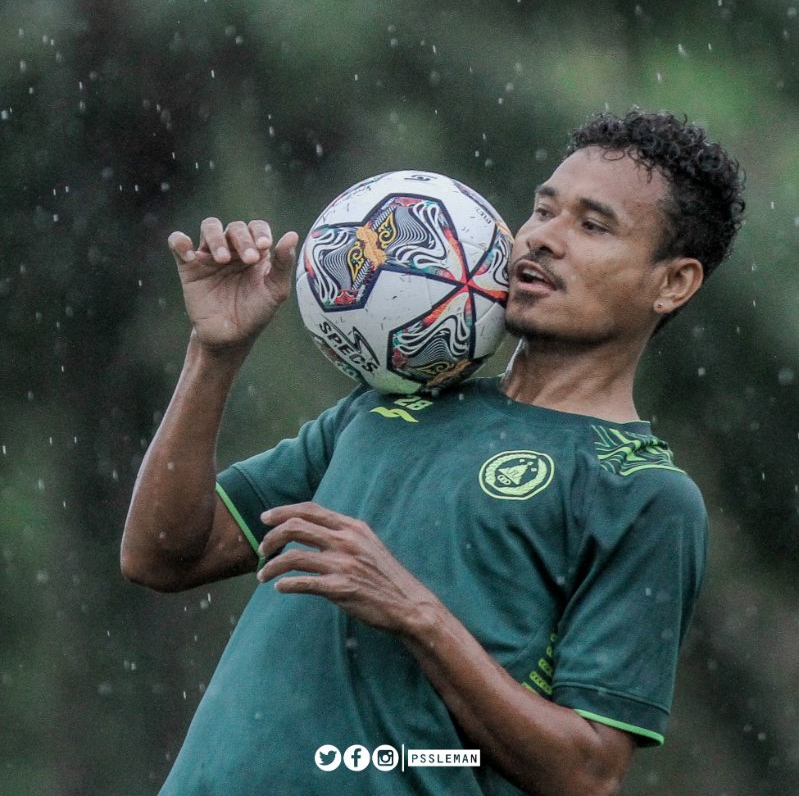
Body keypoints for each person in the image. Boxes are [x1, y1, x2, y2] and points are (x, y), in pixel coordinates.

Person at [121, 109, 745, 796]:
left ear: (672, 282)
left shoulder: (642, 492)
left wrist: (414, 611)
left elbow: (586, 771)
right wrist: (215, 352)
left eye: (591, 225)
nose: (541, 237)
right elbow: (162, 553)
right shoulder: (388, 401)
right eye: (542, 209)